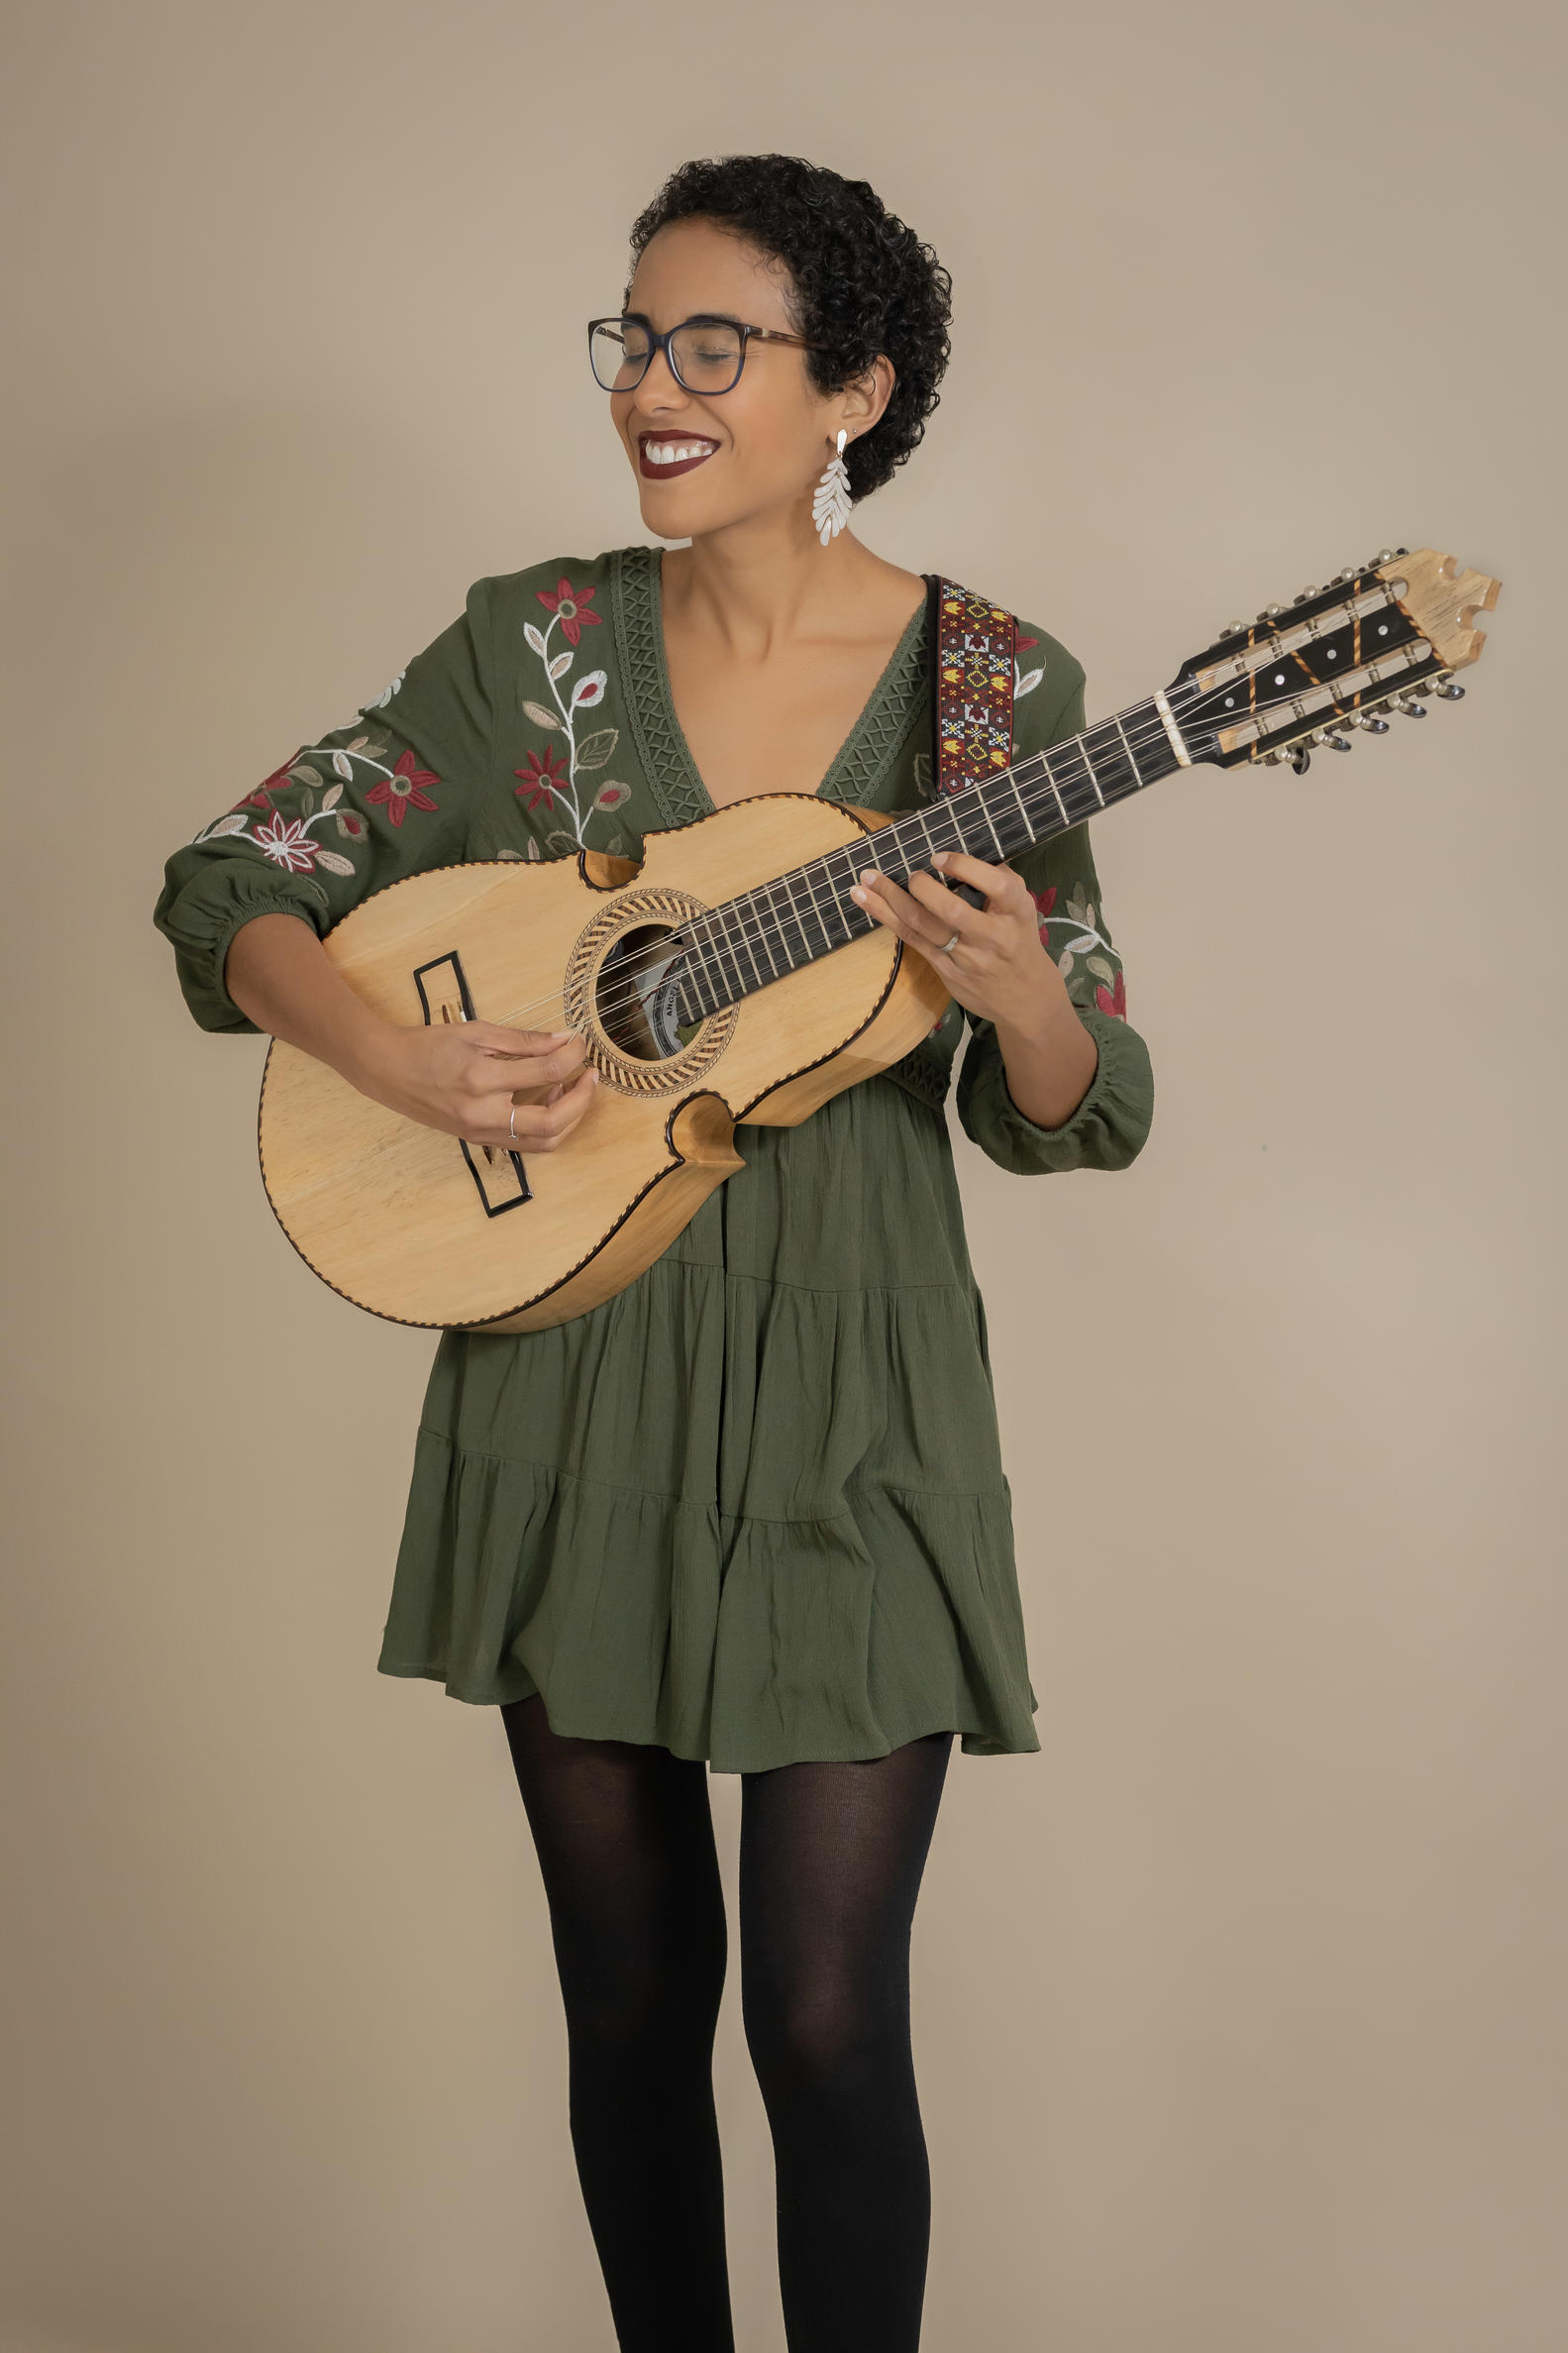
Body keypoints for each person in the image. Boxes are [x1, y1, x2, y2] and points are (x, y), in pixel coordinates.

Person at [154, 153, 1154, 2353]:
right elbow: (231, 880)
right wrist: (400, 1071)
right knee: (627, 2012)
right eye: (636, 338)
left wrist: (1021, 1003)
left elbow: (1082, 1108)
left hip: (855, 1387)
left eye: (716, 347)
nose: (656, 389)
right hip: (577, 1364)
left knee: (820, 2019)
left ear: (855, 389)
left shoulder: (993, 698)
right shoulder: (534, 651)